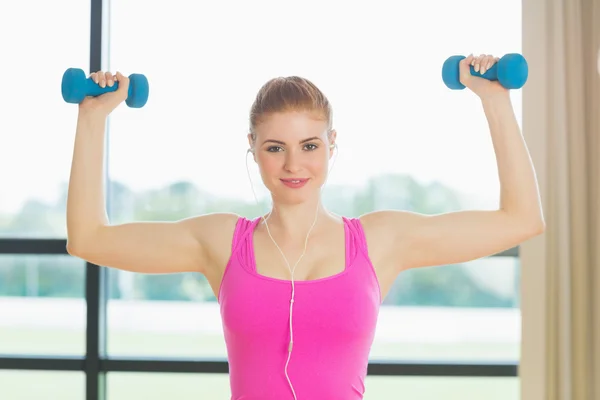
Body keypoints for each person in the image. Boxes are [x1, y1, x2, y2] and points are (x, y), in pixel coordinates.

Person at [66, 53, 545, 399]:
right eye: (275, 147)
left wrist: (494, 100)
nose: (294, 164)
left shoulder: (380, 241)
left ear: (332, 144)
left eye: (309, 146)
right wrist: (92, 119)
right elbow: (88, 238)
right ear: (252, 147)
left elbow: (521, 220)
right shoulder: (221, 243)